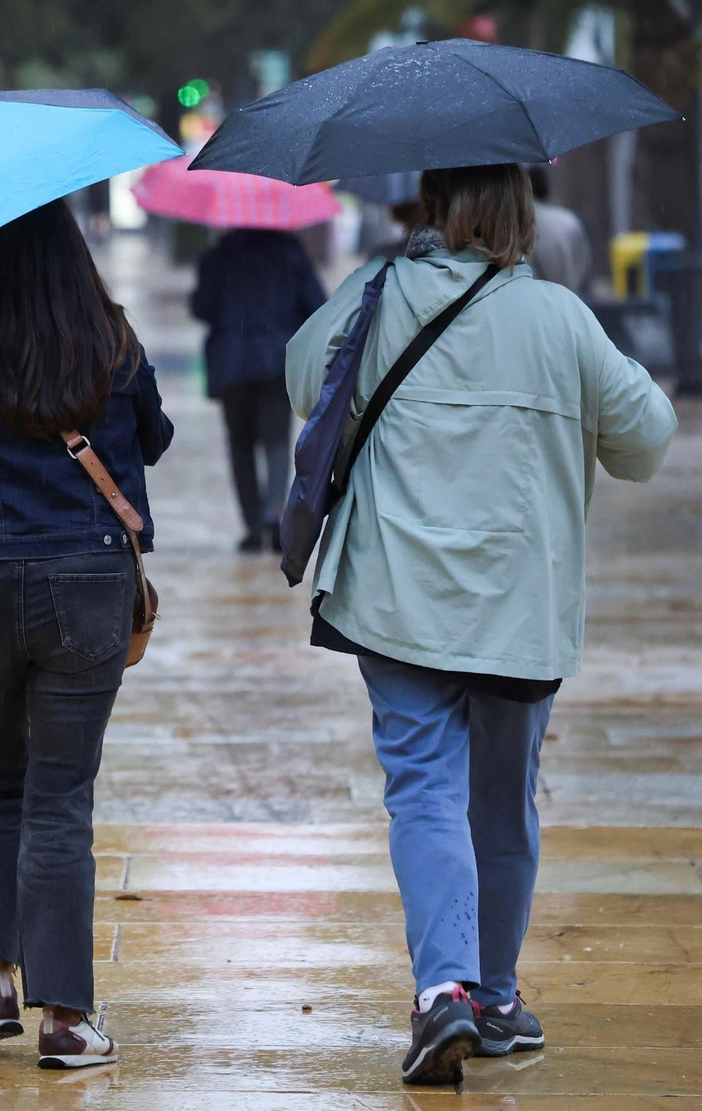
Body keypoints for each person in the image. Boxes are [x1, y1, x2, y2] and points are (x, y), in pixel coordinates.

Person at [286, 164, 677, 1085]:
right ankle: (495, 999)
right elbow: (648, 442)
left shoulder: (377, 295)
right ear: (521, 212)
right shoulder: (560, 317)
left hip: (396, 600)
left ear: (430, 204)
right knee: (504, 803)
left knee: (423, 790)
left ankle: (443, 993)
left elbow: (307, 378)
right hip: (519, 611)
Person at [0, 200, 172, 1070]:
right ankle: (66, 1017)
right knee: (60, 793)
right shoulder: (112, 343)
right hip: (87, 585)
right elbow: (155, 439)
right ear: (73, 254)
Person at [190, 228, 326, 552]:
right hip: (279, 358)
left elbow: (201, 307)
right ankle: (273, 514)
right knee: (277, 442)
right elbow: (317, 304)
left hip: (231, 360)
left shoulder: (218, 255)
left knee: (241, 446)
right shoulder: (291, 253)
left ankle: (252, 526)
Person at [526, 164, 592, 293]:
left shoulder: (519, 223)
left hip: (537, 297)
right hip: (570, 294)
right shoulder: (569, 220)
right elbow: (584, 260)